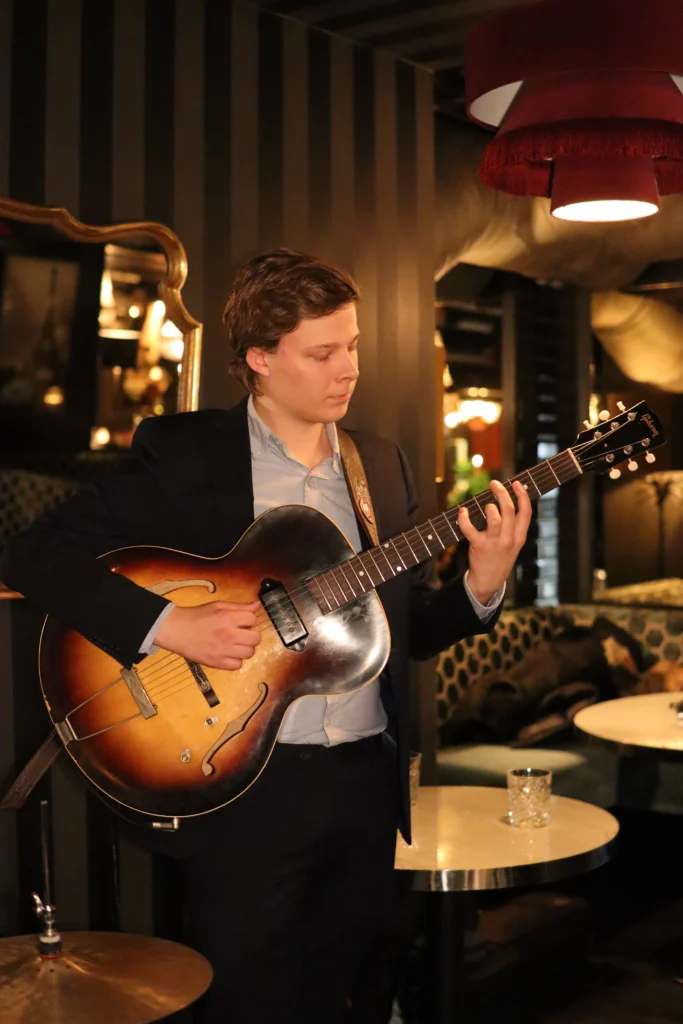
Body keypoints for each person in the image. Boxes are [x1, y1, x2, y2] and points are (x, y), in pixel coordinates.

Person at [0, 249, 532, 1024]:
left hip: (362, 781)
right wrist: (168, 624)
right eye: (322, 353)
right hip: (245, 781)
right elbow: (32, 553)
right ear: (259, 359)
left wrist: (482, 583)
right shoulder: (185, 455)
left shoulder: (379, 464)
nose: (346, 369)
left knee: (343, 994)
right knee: (245, 1003)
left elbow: (408, 629)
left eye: (351, 346)